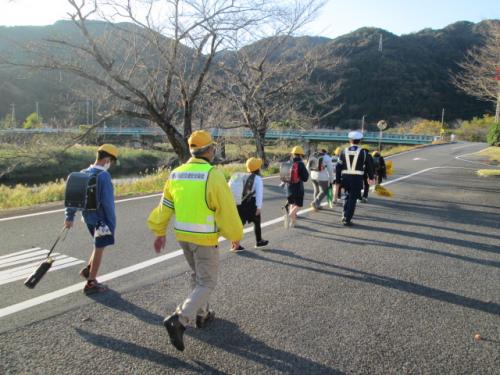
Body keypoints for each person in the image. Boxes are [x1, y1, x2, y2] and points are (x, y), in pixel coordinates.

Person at [147, 130, 243, 352]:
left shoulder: (177, 174)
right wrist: (235, 235)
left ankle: (203, 314)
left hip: (183, 237)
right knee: (207, 282)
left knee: (198, 276)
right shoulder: (213, 175)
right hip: (204, 238)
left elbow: (165, 207)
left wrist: (159, 231)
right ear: (210, 150)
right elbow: (226, 211)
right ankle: (180, 319)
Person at [64, 144, 119, 295]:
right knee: (100, 248)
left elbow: (73, 197)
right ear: (107, 159)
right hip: (101, 220)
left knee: (97, 245)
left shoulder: (83, 172)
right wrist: (111, 224)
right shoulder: (104, 176)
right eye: (111, 161)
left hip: (88, 218)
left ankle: (88, 270)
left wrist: (69, 217)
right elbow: (108, 203)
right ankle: (91, 283)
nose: (111, 165)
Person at [335, 131, 374, 226]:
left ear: (349, 140)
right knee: (353, 199)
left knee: (346, 196)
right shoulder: (364, 153)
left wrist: (338, 179)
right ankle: (347, 219)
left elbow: (338, 167)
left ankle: (344, 215)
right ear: (359, 141)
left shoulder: (343, 151)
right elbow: (369, 167)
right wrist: (371, 177)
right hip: (357, 179)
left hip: (345, 178)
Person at [231, 157, 269, 252]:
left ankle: (235, 244)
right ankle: (259, 241)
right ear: (258, 168)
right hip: (251, 203)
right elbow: (259, 194)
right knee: (256, 222)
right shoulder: (258, 179)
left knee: (239, 224)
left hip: (240, 202)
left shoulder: (243, 176)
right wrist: (258, 207)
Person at [285, 146, 309, 228]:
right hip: (298, 188)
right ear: (301, 155)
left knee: (292, 203)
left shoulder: (288, 162)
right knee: (298, 205)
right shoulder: (301, 164)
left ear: (293, 154)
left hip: (288, 188)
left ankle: (293, 222)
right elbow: (305, 178)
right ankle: (290, 215)